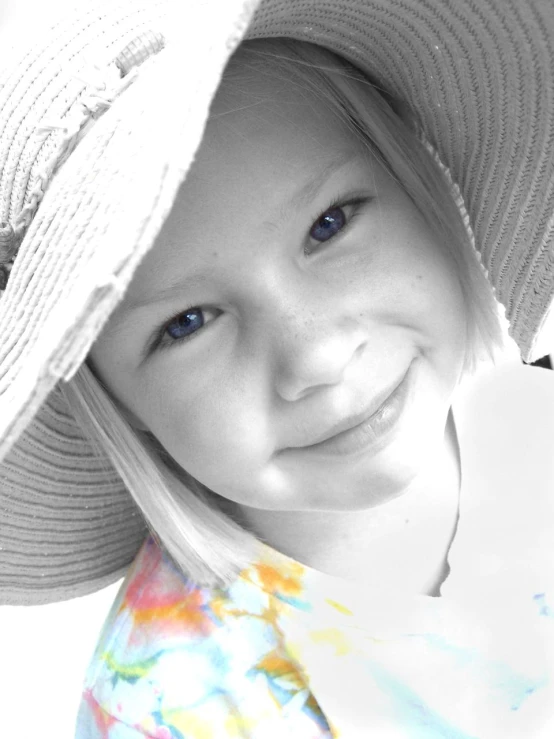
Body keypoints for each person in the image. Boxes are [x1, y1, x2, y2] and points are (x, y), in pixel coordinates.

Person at [0, 0, 553, 736]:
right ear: (119, 400)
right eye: (187, 323)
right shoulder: (169, 708)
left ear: (425, 188)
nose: (318, 358)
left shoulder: (531, 419)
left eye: (330, 224)